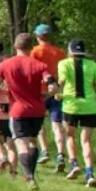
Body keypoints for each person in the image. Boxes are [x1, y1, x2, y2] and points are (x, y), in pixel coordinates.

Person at [0, 32, 56, 191]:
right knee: (32, 142)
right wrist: (45, 95)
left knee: (20, 143)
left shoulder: (5, 64)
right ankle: (30, 175)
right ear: (31, 47)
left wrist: (5, 93)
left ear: (15, 46)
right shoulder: (40, 65)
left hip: (18, 110)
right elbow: (53, 86)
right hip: (38, 110)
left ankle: (29, 177)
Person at [55, 38, 96, 187]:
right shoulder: (92, 65)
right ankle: (90, 173)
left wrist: (57, 90)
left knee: (70, 135)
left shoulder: (64, 63)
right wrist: (94, 89)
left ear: (70, 51)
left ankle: (74, 164)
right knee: (86, 140)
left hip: (70, 105)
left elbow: (62, 79)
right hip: (90, 106)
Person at [30, 24, 74, 173]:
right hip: (57, 92)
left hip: (40, 92)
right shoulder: (60, 52)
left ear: (38, 36)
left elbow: (32, 70)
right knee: (57, 125)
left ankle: (44, 151)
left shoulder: (35, 51)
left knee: (40, 123)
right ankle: (61, 154)